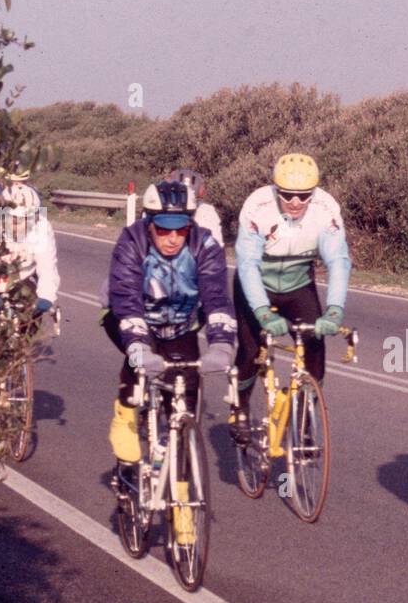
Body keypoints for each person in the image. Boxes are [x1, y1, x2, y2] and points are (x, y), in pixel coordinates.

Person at [105, 180, 236, 483]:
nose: (174, 238)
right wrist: (138, 346)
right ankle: (125, 415)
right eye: (164, 229)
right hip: (130, 315)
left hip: (180, 324)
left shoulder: (205, 245)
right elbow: (125, 299)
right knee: (139, 362)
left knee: (185, 404)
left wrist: (222, 344)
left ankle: (183, 508)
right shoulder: (131, 241)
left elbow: (217, 296)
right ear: (149, 223)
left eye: (181, 228)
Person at [230, 153, 351, 440]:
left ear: (314, 192)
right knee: (250, 351)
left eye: (303, 196)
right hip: (258, 282)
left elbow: (338, 261)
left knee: (314, 348)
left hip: (298, 284)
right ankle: (240, 404)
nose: (295, 202)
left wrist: (335, 309)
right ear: (276, 189)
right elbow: (247, 264)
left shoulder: (326, 207)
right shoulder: (257, 206)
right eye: (287, 195)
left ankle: (304, 415)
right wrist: (262, 312)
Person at [0, 179, 59, 314]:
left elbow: (47, 265)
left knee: (31, 317)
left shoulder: (42, 227)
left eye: (27, 218)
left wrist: (46, 297)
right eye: (14, 219)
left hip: (21, 279)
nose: (20, 224)